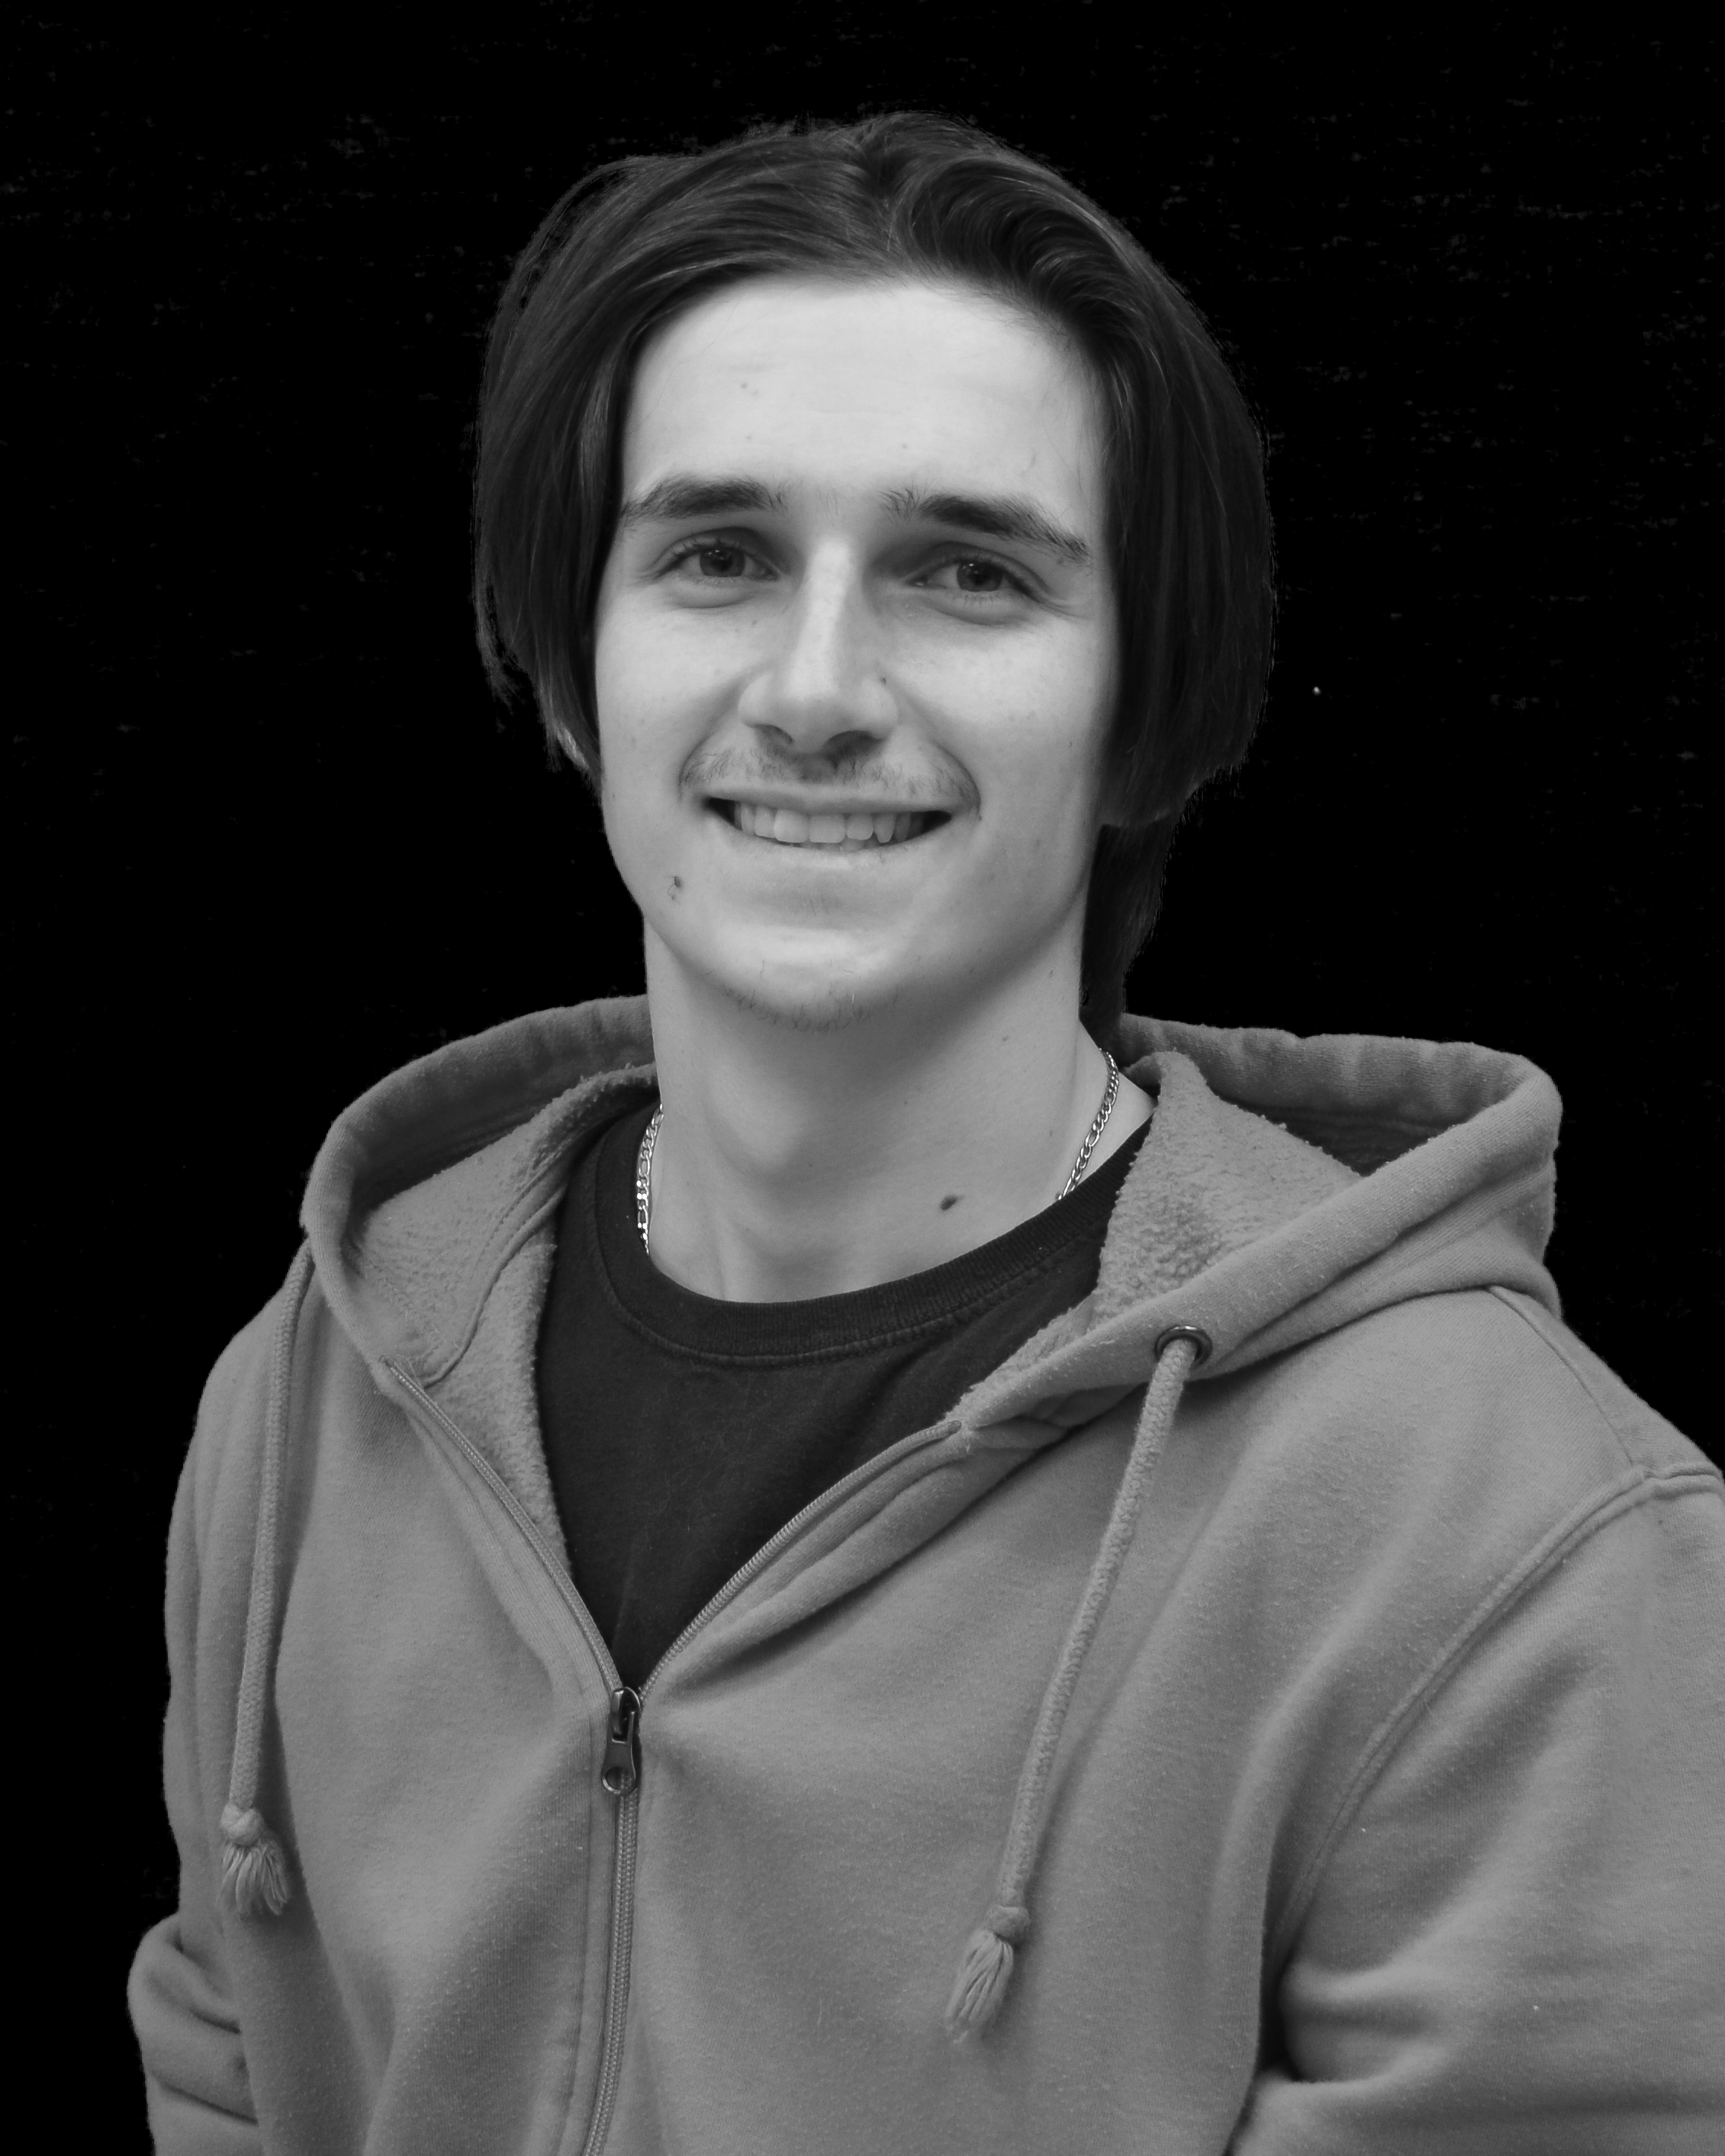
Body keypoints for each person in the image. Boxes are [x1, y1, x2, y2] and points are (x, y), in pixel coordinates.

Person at [129, 113, 1723, 2151]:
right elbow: (234, 2065)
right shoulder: (308, 1400)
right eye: (716, 555)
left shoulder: (1500, 1525)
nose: (814, 690)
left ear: (1147, 706)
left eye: (967, 573)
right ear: (574, 664)